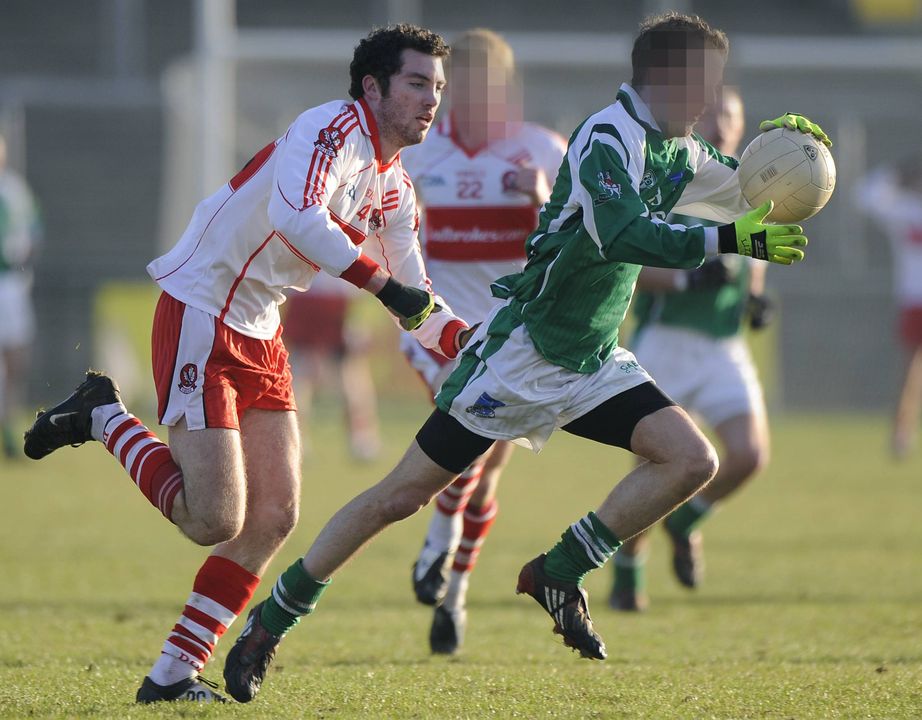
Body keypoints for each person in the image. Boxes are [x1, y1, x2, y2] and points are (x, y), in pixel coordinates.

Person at [222, 12, 827, 704]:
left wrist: (789, 159)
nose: (711, 100)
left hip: (592, 360)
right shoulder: (609, 136)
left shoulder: (679, 149)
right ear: (666, 77)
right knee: (400, 497)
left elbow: (749, 195)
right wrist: (728, 240)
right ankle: (272, 620)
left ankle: (559, 570)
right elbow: (621, 234)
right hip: (522, 355)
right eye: (704, 84)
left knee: (692, 460)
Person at [23, 24, 471, 704]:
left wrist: (467, 342)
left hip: (261, 328)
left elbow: (419, 295)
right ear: (373, 88)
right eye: (416, 83)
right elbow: (299, 217)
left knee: (276, 515)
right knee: (214, 520)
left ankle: (171, 676)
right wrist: (385, 288)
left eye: (437, 87)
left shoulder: (395, 188)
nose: (431, 100)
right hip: (202, 304)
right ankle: (104, 416)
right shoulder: (329, 129)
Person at [399, 28, 567, 654]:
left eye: (483, 86)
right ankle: (438, 547)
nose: (469, 99)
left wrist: (542, 199)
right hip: (437, 324)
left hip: (513, 330)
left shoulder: (542, 150)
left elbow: (579, 237)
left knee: (485, 466)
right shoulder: (418, 152)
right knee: (471, 431)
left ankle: (454, 591)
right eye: (456, 86)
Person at [608, 87, 772, 611]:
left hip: (724, 345)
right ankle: (628, 572)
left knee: (749, 455)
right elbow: (629, 260)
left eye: (731, 115)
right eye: (712, 114)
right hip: (667, 340)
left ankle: (686, 520)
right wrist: (687, 280)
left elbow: (752, 256)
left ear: (742, 125)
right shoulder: (674, 179)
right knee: (655, 466)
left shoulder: (750, 188)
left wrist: (755, 298)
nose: (722, 123)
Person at [855, 158, 922, 460]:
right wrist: (895, 173)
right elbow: (865, 197)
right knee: (909, 372)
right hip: (914, 301)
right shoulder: (905, 210)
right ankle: (901, 433)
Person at [283, 272, 381, 462]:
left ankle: (361, 438)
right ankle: (296, 439)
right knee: (298, 380)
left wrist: (357, 322)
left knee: (350, 379)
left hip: (338, 300)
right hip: (306, 297)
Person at [0, 133, 41, 460]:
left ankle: (8, 425)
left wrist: (27, 257)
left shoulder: (15, 190)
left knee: (16, 360)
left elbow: (34, 230)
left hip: (12, 285)